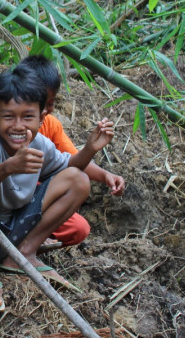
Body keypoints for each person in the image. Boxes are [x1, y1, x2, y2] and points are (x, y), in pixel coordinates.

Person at [0, 65, 115, 312]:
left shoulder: (39, 143)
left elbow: (70, 166)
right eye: (8, 116)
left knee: (78, 179)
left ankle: (22, 254)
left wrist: (90, 149)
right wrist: (7, 168)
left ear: (42, 119)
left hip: (10, 234)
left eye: (28, 117)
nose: (19, 126)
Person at [18, 55, 125, 249]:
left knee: (78, 229)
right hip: (7, 200)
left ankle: (29, 241)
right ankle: (20, 240)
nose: (45, 112)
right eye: (40, 105)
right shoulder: (9, 127)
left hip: (35, 202)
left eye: (50, 104)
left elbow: (71, 161)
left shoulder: (50, 125)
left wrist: (104, 173)